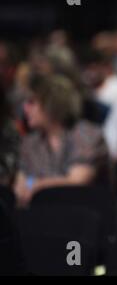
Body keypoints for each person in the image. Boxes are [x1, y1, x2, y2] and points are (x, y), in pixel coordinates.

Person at [14, 74, 108, 208]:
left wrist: (37, 185)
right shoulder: (30, 143)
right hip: (39, 215)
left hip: (81, 214)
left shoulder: (87, 134)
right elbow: (21, 186)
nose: (25, 109)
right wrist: (31, 184)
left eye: (32, 102)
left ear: (51, 104)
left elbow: (77, 181)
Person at [82, 49, 117, 161]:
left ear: (103, 67)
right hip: (92, 152)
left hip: (115, 153)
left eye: (93, 67)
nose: (89, 73)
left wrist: (116, 151)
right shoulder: (86, 92)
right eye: (85, 68)